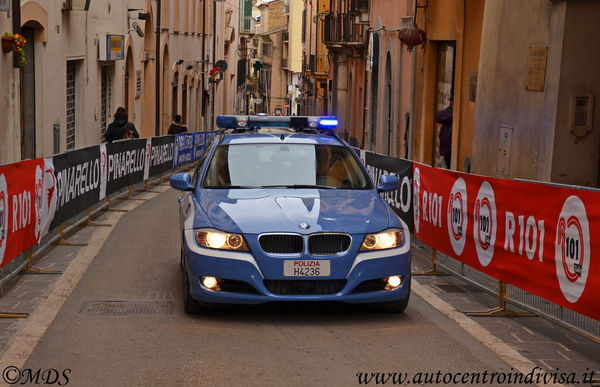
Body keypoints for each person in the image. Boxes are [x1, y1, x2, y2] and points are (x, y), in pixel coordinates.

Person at [435, 97, 453, 168]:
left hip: (449, 147)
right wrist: (452, 116)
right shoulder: (449, 111)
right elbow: (438, 116)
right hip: (446, 147)